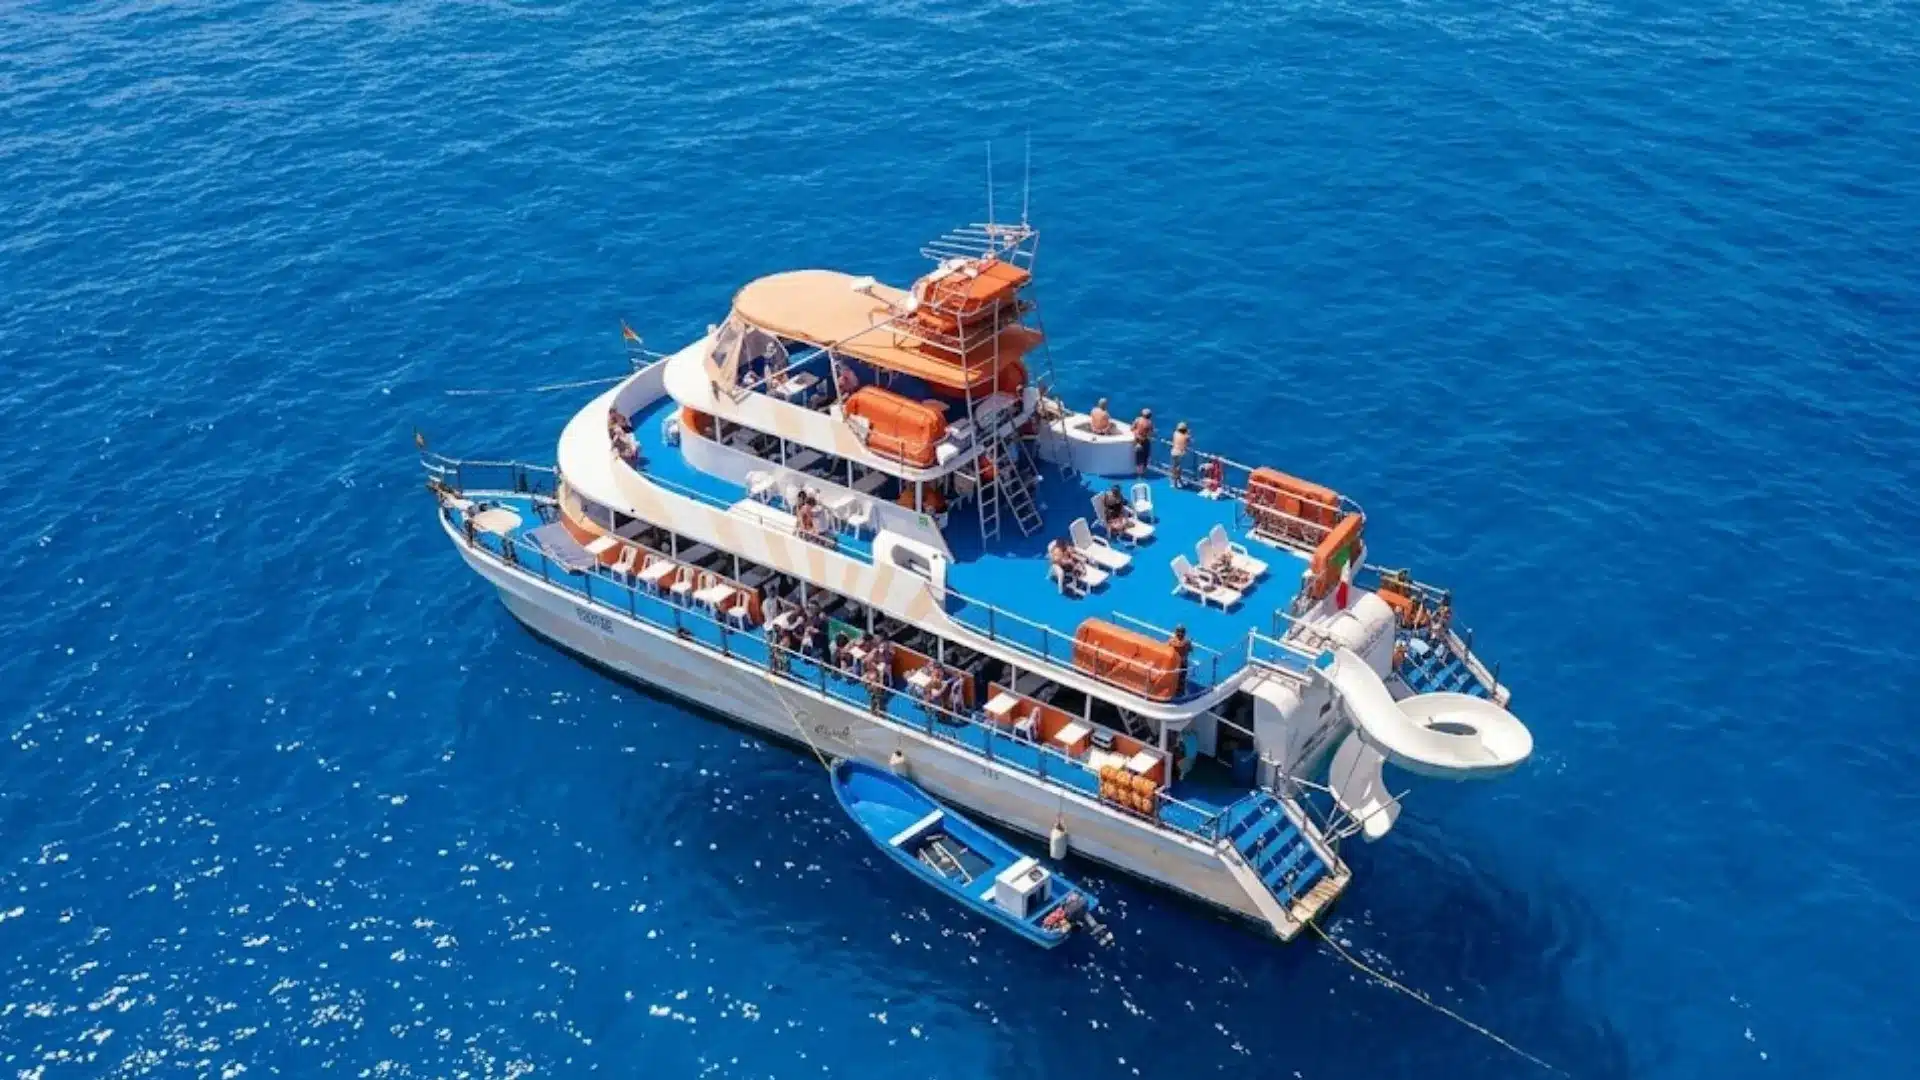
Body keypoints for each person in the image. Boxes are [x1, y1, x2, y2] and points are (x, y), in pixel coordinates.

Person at [1167, 624, 1192, 697]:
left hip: (1176, 663)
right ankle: (1179, 692)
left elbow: (1167, 649)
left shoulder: (1171, 641)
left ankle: (1177, 691)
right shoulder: (1187, 642)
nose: (1180, 633)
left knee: (1179, 678)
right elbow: (1190, 649)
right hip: (1180, 663)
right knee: (1180, 679)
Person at [1130, 408, 1155, 478]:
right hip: (1144, 441)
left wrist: (1137, 433)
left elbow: (1132, 428)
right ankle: (1143, 473)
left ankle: (1139, 474)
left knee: (1138, 458)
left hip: (1137, 441)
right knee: (1145, 457)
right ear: (1149, 416)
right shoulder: (1149, 423)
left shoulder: (1137, 420)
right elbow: (1151, 433)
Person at [1169, 421, 1191, 488]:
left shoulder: (1175, 433)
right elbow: (1188, 441)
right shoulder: (1186, 436)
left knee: (1174, 467)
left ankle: (1175, 481)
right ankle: (1176, 483)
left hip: (1173, 452)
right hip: (1180, 454)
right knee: (1178, 469)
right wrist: (1188, 433)